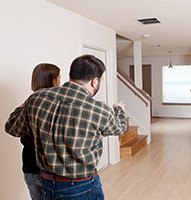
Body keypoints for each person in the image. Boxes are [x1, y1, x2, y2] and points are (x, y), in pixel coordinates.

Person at [5, 54, 127, 199]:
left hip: (47, 183)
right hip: (81, 186)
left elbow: (12, 128)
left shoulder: (36, 98)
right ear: (94, 81)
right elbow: (120, 128)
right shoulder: (98, 109)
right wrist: (119, 110)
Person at [21, 63, 61, 200]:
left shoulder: (27, 104)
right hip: (49, 172)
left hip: (29, 168)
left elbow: (15, 129)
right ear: (54, 81)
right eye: (59, 78)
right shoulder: (58, 106)